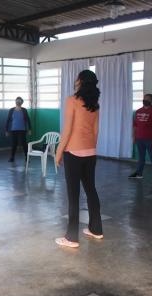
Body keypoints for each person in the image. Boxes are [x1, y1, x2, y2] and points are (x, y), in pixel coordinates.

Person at [55, 70, 102, 248]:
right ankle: (96, 229)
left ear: (81, 81)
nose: (75, 80)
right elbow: (96, 131)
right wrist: (90, 149)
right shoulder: (95, 104)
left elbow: (67, 131)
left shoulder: (72, 101)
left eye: (77, 78)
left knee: (73, 196)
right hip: (90, 153)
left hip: (73, 153)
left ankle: (71, 238)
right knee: (91, 191)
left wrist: (58, 153)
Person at [129, 94, 152, 183]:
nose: (145, 100)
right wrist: (134, 136)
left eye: (147, 99)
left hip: (150, 139)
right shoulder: (138, 111)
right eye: (144, 99)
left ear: (151, 101)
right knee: (141, 157)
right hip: (139, 139)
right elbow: (135, 125)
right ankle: (139, 173)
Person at [5, 97, 31, 162]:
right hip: (13, 130)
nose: (18, 102)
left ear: (22, 103)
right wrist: (6, 130)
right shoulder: (11, 110)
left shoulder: (24, 110)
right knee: (14, 144)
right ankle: (12, 157)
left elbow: (28, 120)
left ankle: (26, 157)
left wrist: (30, 129)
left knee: (24, 144)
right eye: (17, 101)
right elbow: (8, 120)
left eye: (19, 101)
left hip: (23, 129)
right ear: (15, 102)